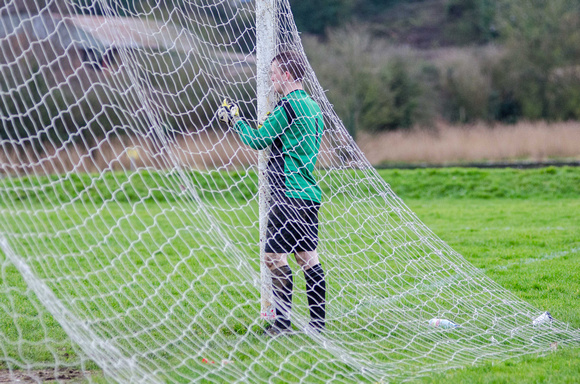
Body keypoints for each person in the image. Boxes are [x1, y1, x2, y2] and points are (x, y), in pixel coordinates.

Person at [216, 50, 326, 336]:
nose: (271, 79)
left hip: (287, 194)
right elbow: (292, 139)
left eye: (273, 74)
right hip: (308, 195)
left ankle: (281, 324)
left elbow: (257, 140)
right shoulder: (313, 107)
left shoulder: (288, 106)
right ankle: (317, 326)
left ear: (287, 75)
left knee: (273, 258)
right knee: (308, 258)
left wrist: (235, 120)